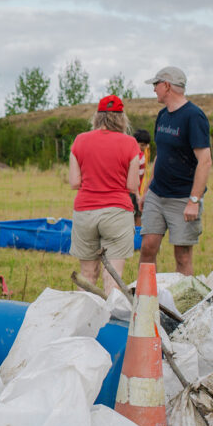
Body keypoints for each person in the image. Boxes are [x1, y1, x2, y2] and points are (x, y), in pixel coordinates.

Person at [138, 66, 212, 276]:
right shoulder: (162, 116)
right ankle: (145, 301)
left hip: (182, 198)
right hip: (157, 194)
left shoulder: (194, 116)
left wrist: (194, 201)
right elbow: (161, 156)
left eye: (156, 85)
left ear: (167, 86)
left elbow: (205, 162)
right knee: (147, 248)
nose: (154, 90)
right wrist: (147, 191)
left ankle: (185, 307)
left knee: (182, 256)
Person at [69, 95, 142, 293]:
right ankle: (109, 320)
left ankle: (83, 320)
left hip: (85, 211)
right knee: (112, 278)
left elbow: (74, 182)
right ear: (121, 118)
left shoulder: (79, 141)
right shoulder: (130, 143)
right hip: (117, 212)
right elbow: (132, 185)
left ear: (97, 116)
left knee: (87, 275)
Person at [132, 129, 152, 227]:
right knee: (136, 217)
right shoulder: (135, 156)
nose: (144, 147)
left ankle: (137, 239)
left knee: (139, 216)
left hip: (139, 191)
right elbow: (133, 177)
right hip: (133, 192)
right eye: (142, 145)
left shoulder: (142, 154)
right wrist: (137, 195)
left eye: (145, 145)